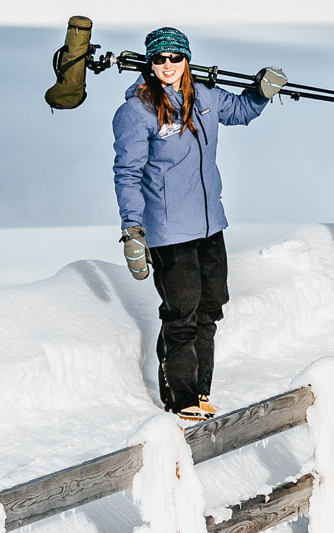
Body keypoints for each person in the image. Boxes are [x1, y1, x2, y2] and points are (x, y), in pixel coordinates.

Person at [113, 27, 286, 422]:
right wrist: (133, 230)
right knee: (181, 313)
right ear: (150, 63)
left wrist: (262, 92)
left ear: (187, 59)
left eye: (175, 57)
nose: (168, 65)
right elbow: (127, 173)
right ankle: (180, 397)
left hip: (210, 224)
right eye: (160, 59)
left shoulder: (205, 95)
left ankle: (200, 389)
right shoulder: (136, 111)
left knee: (211, 306)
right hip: (169, 230)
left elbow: (240, 110)